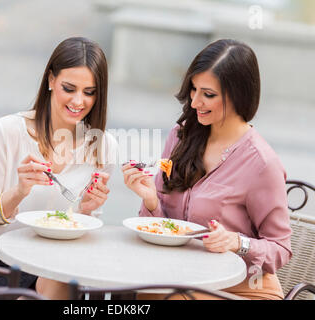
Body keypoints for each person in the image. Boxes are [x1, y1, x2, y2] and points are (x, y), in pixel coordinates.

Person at [122, 39, 292, 300]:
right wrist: (151, 200)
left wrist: (238, 242)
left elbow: (280, 249)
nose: (194, 102)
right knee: (131, 290)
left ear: (238, 96)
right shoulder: (180, 137)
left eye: (208, 94)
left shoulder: (262, 163)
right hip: (182, 277)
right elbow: (167, 225)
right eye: (193, 89)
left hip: (243, 289)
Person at [0, 37, 117, 299]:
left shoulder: (103, 146)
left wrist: (87, 210)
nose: (79, 101)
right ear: (50, 80)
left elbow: (86, 230)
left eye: (89, 92)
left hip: (52, 262)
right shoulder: (8, 132)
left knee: (63, 272)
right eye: (69, 88)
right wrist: (18, 192)